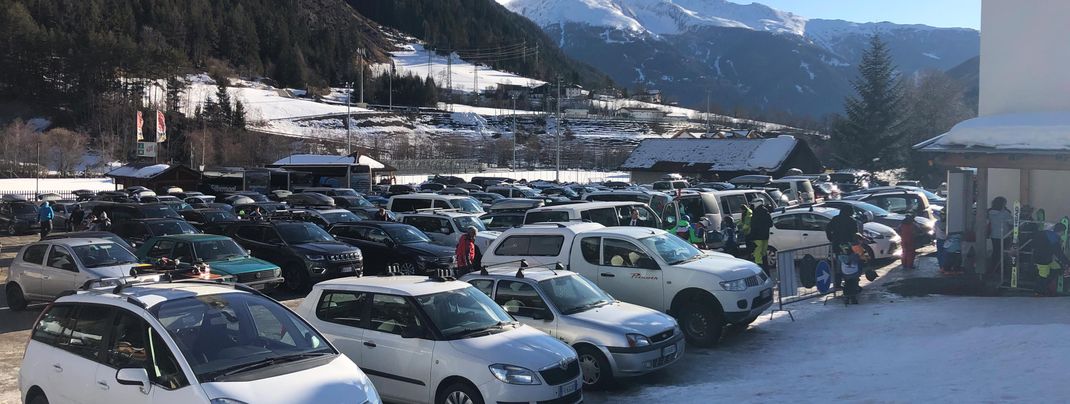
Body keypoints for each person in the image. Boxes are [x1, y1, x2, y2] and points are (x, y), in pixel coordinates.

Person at [826, 205, 862, 289]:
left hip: (837, 245)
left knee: (838, 265)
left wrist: (831, 238)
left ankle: (837, 284)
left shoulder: (835, 219)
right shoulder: (852, 220)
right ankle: (850, 283)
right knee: (850, 264)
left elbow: (828, 229)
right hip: (849, 246)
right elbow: (855, 233)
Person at [1030, 223, 1070, 296]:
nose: (1063, 234)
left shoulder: (1046, 233)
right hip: (1042, 260)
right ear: (1061, 231)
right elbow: (1059, 253)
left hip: (1043, 258)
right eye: (1063, 232)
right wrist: (1067, 263)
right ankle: (1038, 292)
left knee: (1057, 267)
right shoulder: (1054, 239)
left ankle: (1044, 287)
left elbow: (1033, 240)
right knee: (1043, 275)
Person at [987, 196, 1014, 272]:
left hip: (994, 235)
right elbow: (1011, 222)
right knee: (1005, 253)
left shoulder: (989, 212)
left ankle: (994, 268)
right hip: (1005, 235)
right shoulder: (1005, 213)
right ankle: (1003, 269)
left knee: (996, 252)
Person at [749, 204, 773, 269]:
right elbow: (771, 224)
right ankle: (766, 268)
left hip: (757, 237)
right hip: (765, 236)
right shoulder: (767, 213)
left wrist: (751, 237)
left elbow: (753, 227)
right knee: (764, 253)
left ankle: (759, 268)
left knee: (757, 254)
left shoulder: (755, 215)